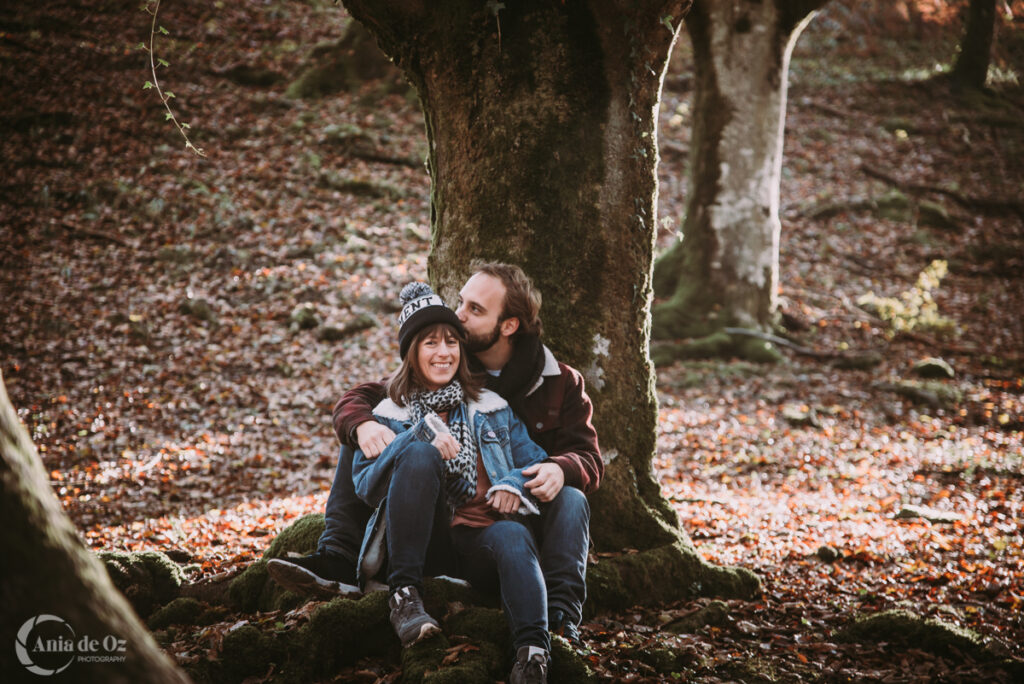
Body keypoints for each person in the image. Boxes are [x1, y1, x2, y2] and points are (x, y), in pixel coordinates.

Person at [268, 262, 600, 647]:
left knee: (572, 498)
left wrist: (560, 468)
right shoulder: (449, 356)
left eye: (475, 310)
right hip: (445, 519)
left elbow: (589, 457)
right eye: (461, 302)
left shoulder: (558, 382)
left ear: (508, 326)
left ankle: (561, 621)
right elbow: (364, 397)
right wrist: (363, 425)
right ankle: (339, 555)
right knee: (368, 429)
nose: (459, 316)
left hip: (518, 518)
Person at [347, 281, 556, 681]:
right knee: (422, 452)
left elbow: (536, 462)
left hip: (480, 540)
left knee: (513, 535)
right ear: (412, 352)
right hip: (424, 540)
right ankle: (404, 597)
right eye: (430, 343)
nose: (443, 352)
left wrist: (512, 483)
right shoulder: (390, 414)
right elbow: (367, 486)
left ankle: (533, 654)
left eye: (451, 342)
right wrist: (416, 437)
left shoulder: (491, 407)